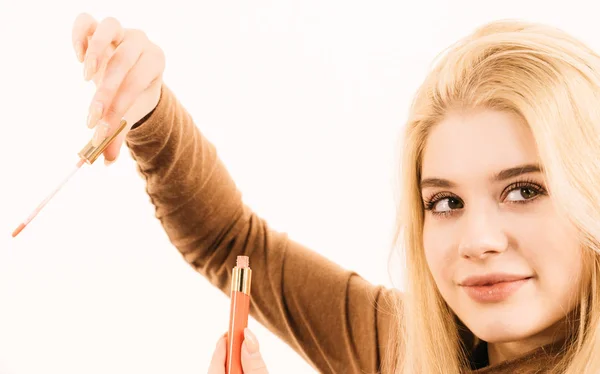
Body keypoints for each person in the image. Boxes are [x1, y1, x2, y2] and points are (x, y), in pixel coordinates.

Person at [69, 12, 600, 373]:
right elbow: (232, 243)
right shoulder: (404, 348)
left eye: (525, 190)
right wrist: (147, 107)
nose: (477, 239)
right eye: (446, 203)